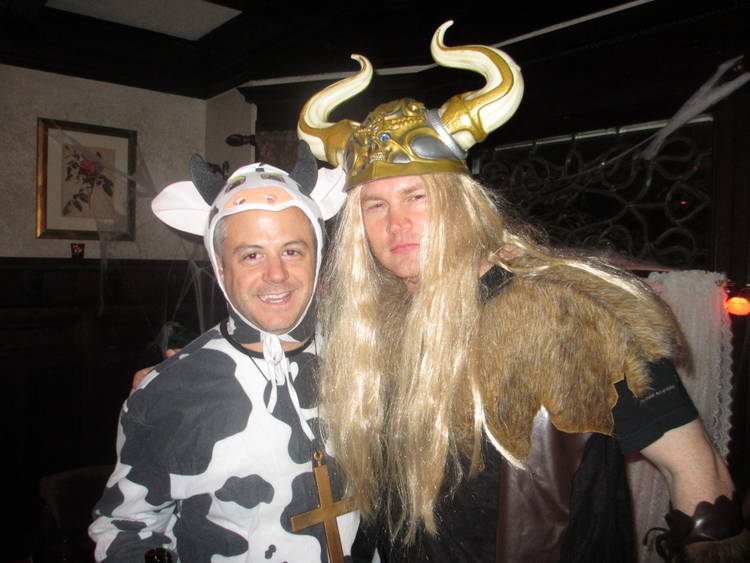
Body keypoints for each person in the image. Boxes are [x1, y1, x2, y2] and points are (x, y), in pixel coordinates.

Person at [297, 20, 749, 562]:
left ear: (461, 203)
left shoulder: (567, 313)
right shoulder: (374, 325)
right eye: (376, 205)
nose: (397, 223)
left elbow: (698, 471)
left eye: (417, 196)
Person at [88, 151, 359, 562]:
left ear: (317, 256)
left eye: (292, 251)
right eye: (252, 254)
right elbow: (126, 528)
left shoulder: (364, 365)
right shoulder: (172, 391)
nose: (276, 274)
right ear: (221, 266)